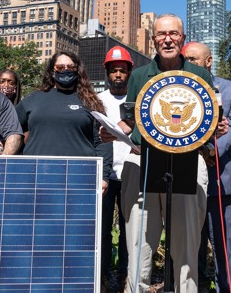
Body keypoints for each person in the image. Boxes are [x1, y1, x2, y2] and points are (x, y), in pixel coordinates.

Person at [117, 13, 216, 293]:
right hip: (144, 161)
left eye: (173, 34)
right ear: (153, 40)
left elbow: (207, 121)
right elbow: (131, 119)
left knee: (185, 245)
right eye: (161, 34)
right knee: (139, 243)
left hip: (187, 161)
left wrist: (216, 129)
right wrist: (115, 129)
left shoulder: (200, 75)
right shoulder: (138, 76)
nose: (167, 39)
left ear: (182, 38)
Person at [183, 42, 231, 293]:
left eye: (194, 60)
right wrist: (198, 148)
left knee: (226, 247)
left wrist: (211, 150)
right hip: (187, 180)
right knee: (189, 247)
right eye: (185, 59)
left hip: (222, 179)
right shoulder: (179, 89)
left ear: (208, 61)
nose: (189, 64)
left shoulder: (230, 89)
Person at [16, 51, 110, 161]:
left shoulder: (91, 102)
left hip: (80, 172)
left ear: (77, 70)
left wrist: (103, 175)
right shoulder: (32, 99)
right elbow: (10, 129)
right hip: (37, 171)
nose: (65, 70)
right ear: (52, 71)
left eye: (71, 67)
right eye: (60, 67)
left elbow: (104, 142)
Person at [96, 46, 133, 289]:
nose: (118, 75)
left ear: (129, 72)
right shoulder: (98, 99)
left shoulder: (138, 98)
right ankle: (104, 272)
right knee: (104, 229)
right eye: (114, 70)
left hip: (132, 172)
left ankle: (124, 273)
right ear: (107, 73)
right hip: (105, 174)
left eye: (122, 70)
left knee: (129, 228)